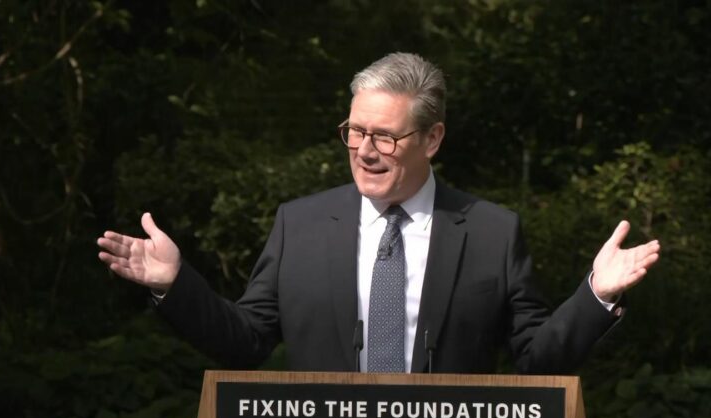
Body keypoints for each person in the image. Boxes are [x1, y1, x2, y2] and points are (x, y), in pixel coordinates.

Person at [97, 52, 660, 375]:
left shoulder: (492, 232)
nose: (365, 150)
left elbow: (536, 362)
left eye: (385, 136)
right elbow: (244, 342)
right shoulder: (301, 225)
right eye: (355, 132)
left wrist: (597, 296)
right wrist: (175, 284)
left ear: (432, 138)